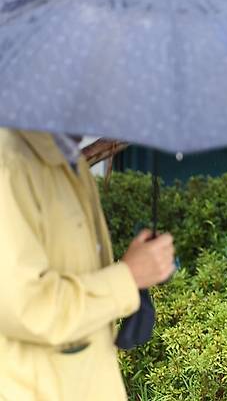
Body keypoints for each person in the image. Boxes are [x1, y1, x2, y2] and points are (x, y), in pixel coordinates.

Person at [0, 129, 176, 400]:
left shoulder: (71, 163)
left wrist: (140, 267)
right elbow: (28, 307)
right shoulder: (10, 164)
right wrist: (128, 277)